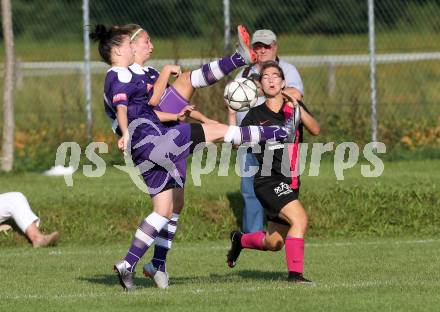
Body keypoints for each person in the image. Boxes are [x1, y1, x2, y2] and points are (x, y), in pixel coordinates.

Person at [90, 24, 296, 291]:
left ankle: (142, 265)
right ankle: (275, 128)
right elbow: (128, 109)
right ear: (121, 48)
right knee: (219, 131)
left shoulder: (146, 74)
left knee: (169, 207)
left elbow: (155, 108)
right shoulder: (120, 74)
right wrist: (127, 132)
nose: (146, 44)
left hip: (155, 139)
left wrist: (200, 117)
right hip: (153, 139)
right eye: (141, 40)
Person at [226, 61, 320, 284]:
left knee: (274, 243)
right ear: (260, 85)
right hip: (267, 180)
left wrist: (298, 107)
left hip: (291, 181)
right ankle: (295, 276)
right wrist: (231, 114)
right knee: (300, 220)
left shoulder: (293, 109)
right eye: (265, 77)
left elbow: (315, 129)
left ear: (283, 82)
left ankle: (240, 240)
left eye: (275, 76)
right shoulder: (255, 114)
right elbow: (237, 144)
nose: (270, 79)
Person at [228, 29, 305, 234]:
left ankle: (280, 230)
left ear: (275, 47)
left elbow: (296, 94)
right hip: (250, 141)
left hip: (278, 145)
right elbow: (232, 104)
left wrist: (263, 87)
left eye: (266, 46)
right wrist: (233, 129)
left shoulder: (287, 70)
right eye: (257, 46)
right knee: (250, 191)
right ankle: (252, 234)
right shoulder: (244, 74)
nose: (261, 50)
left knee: (283, 187)